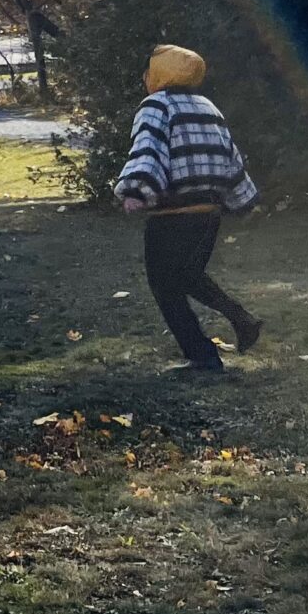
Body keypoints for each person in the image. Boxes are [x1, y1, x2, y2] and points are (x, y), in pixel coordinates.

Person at [113, 43, 264, 373]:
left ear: (159, 75)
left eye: (149, 72)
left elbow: (148, 149)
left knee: (165, 286)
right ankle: (242, 319)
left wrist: (137, 190)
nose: (145, 78)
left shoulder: (157, 105)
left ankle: (203, 358)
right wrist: (242, 199)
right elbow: (229, 155)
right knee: (189, 276)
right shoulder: (208, 107)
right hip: (208, 214)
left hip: (172, 214)